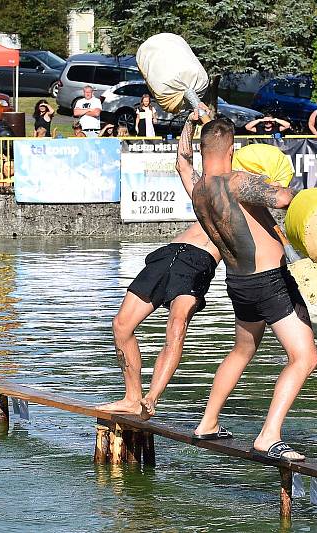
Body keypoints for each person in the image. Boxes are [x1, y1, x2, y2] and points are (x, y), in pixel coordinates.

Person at [179, 108, 317, 461]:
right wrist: (277, 182)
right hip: (270, 282)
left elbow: (182, 162)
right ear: (232, 148)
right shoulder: (236, 181)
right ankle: (269, 435)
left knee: (242, 351)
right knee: (304, 357)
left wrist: (190, 122)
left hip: (238, 283)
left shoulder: (197, 189)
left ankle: (208, 422)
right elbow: (284, 199)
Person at [97, 116, 221, 418]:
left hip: (198, 263)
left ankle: (151, 398)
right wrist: (191, 123)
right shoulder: (207, 196)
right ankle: (132, 397)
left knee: (176, 326)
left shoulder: (247, 212)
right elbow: (182, 162)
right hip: (167, 255)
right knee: (121, 325)